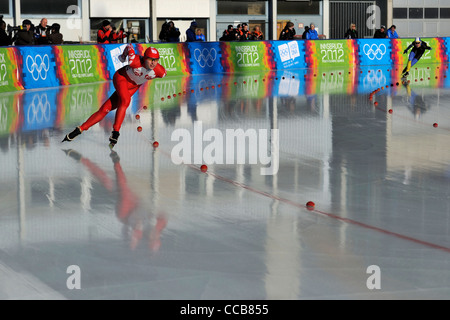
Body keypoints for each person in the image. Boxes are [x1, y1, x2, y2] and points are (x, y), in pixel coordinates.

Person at [62, 45, 167, 148]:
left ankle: (79, 129)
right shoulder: (134, 60)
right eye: (150, 59)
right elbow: (129, 46)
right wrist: (122, 56)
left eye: (156, 60)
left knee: (105, 109)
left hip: (132, 87)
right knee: (125, 100)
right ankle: (116, 131)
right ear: (145, 58)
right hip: (121, 78)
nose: (153, 62)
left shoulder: (161, 72)